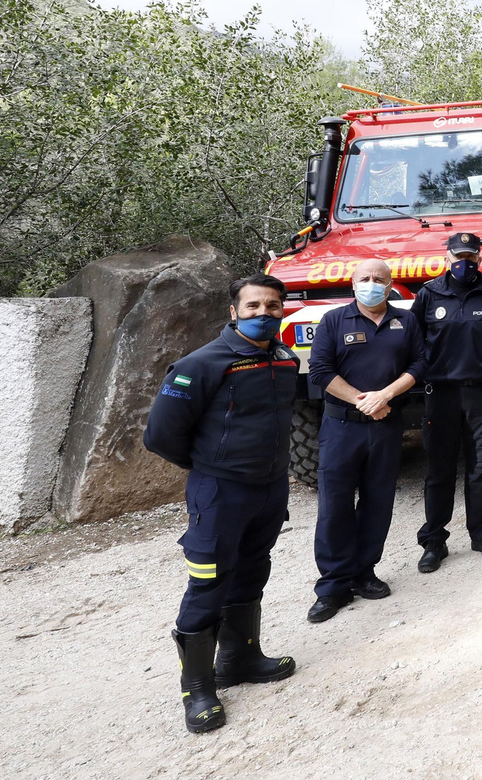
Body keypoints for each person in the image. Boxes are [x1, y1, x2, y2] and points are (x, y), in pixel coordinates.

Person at [143, 274, 300, 734]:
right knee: (209, 581)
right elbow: (161, 436)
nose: (263, 314)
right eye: (252, 306)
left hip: (269, 489)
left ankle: (241, 657)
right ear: (233, 311)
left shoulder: (285, 359)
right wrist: (212, 465)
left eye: (272, 306)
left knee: (253, 568)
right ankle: (197, 687)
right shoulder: (201, 364)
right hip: (219, 491)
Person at [304, 259, 427, 623]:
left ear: (390, 287)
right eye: (364, 279)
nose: (371, 284)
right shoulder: (333, 321)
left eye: (379, 280)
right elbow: (321, 372)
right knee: (334, 506)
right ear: (353, 283)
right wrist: (364, 400)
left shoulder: (406, 321)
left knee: (378, 502)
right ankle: (332, 586)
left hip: (386, 425)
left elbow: (420, 364)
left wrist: (384, 396)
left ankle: (364, 573)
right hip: (342, 427)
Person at [410, 231, 482, 573]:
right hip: (440, 395)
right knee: (439, 471)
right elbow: (412, 345)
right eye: (458, 257)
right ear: (447, 257)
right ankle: (434, 541)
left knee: (480, 469)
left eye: (470, 257)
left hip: (481, 394)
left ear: (479, 258)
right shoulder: (429, 295)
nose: (464, 263)